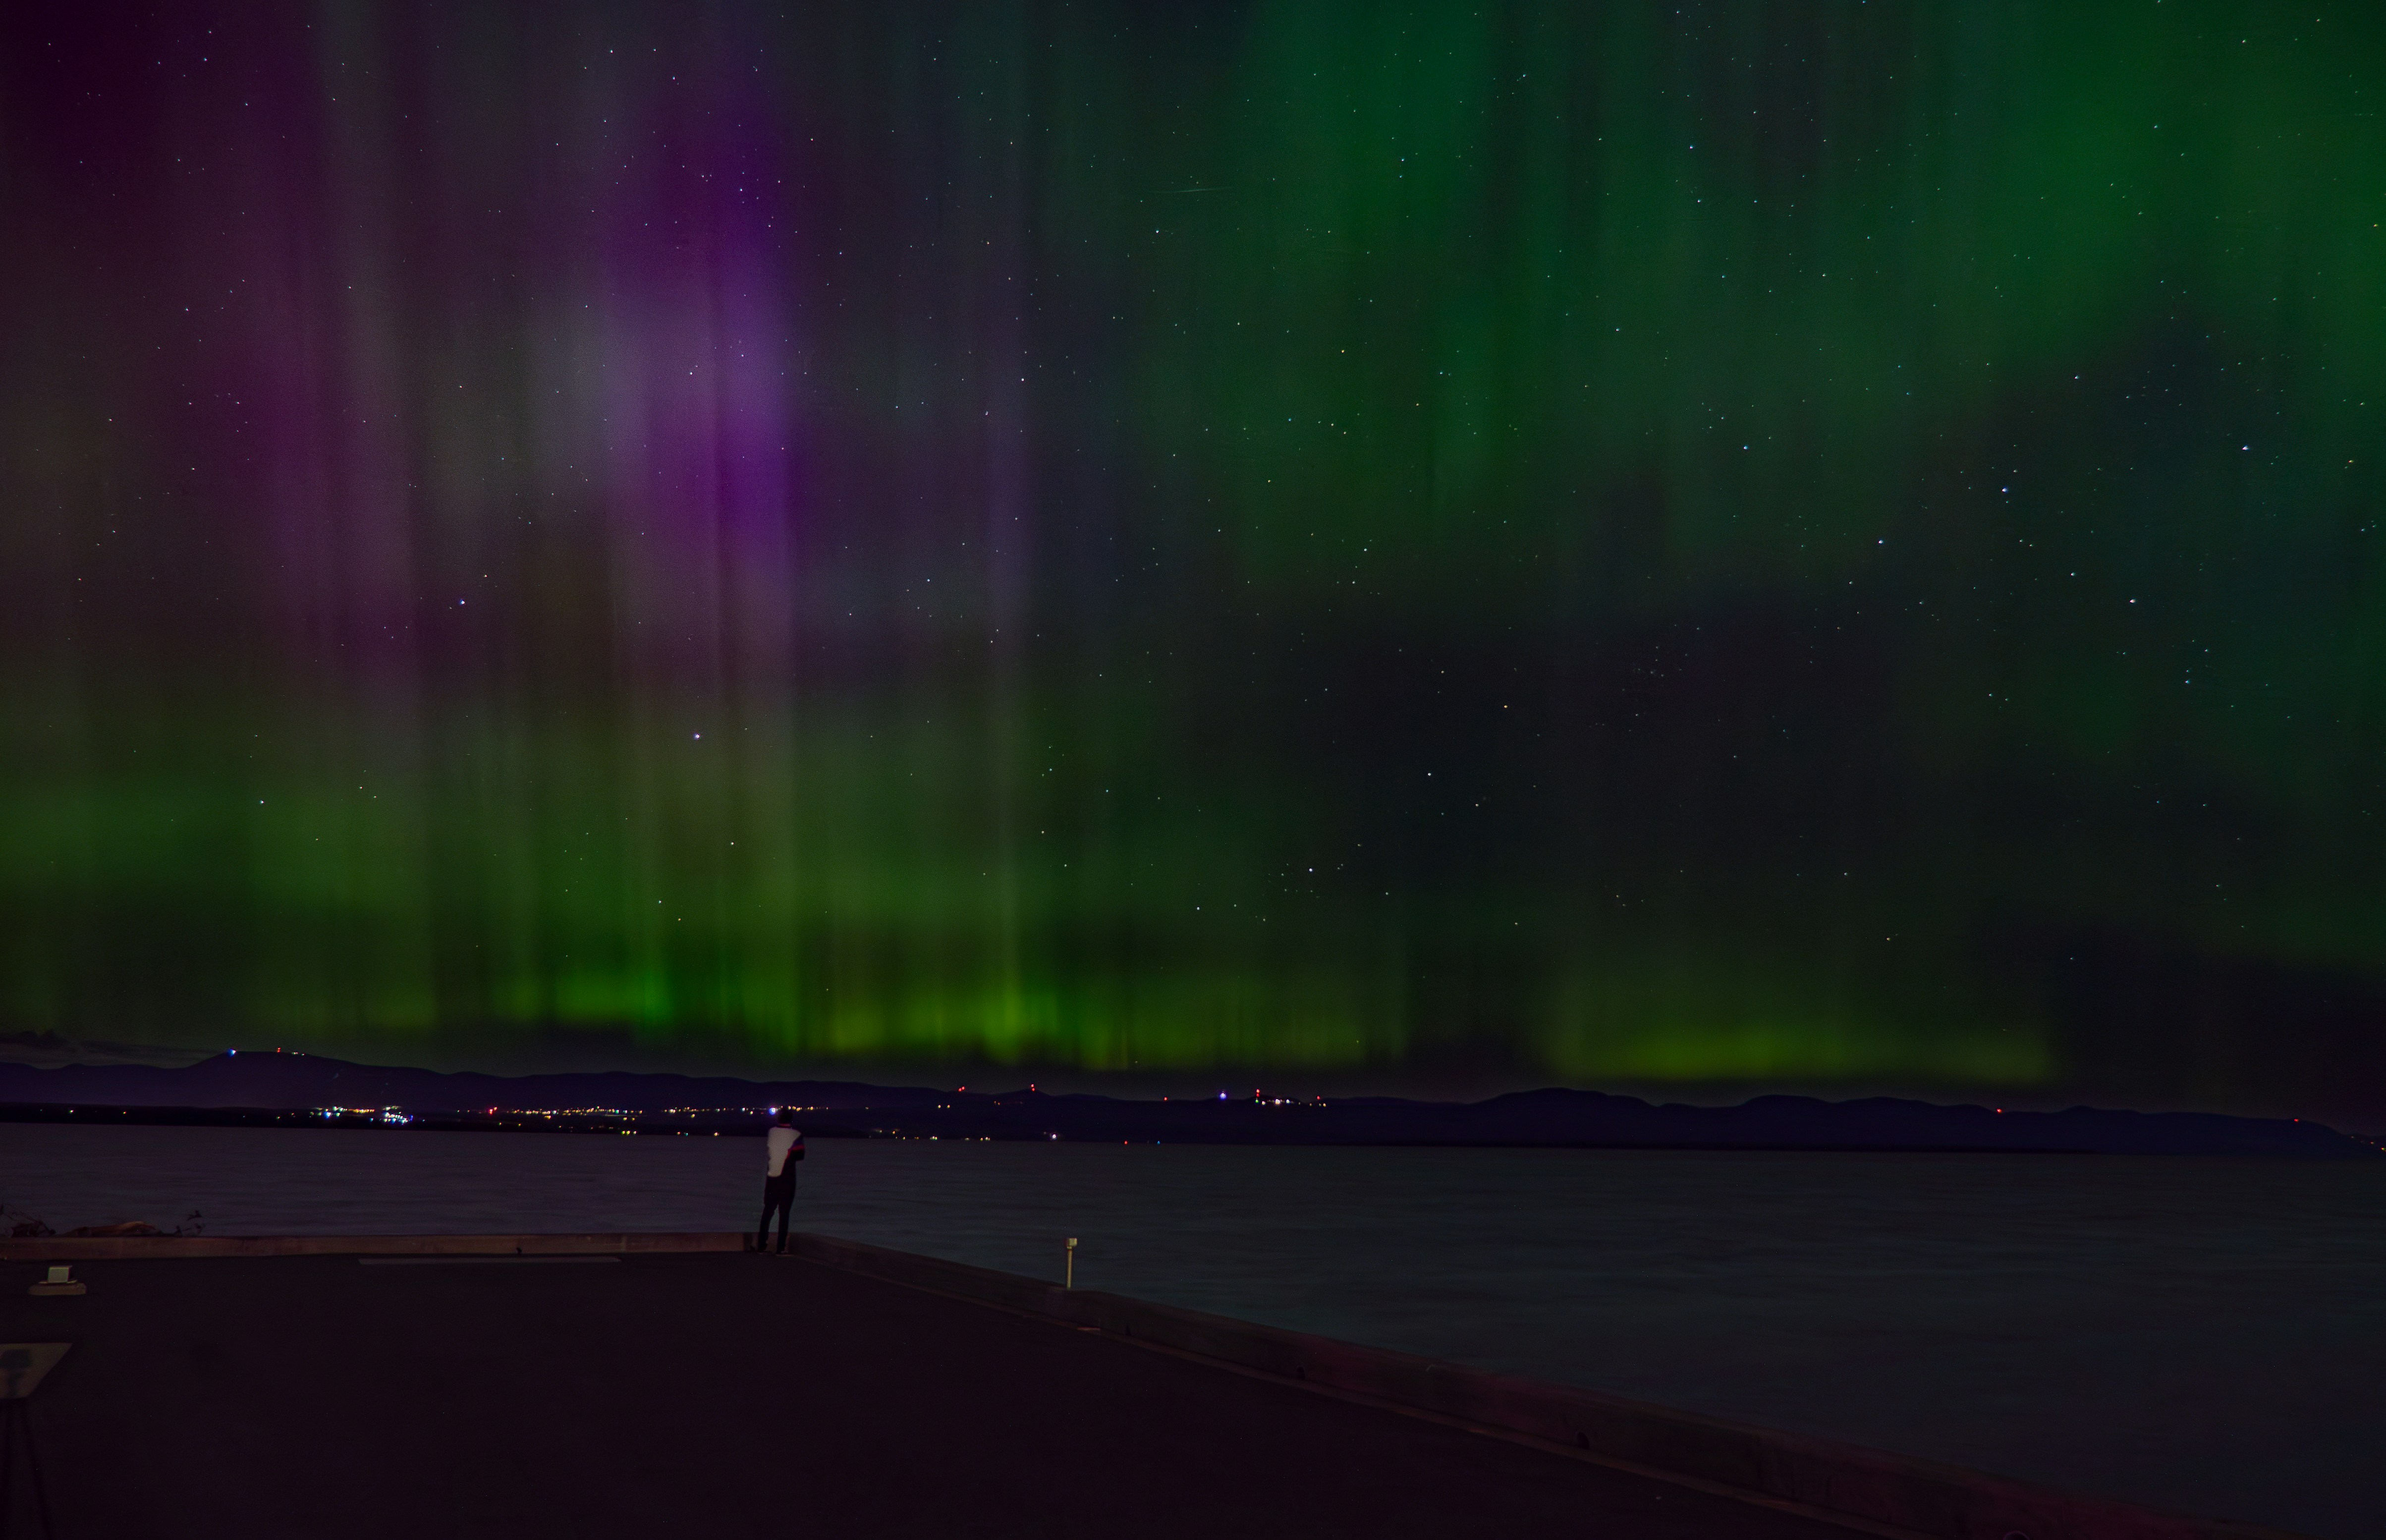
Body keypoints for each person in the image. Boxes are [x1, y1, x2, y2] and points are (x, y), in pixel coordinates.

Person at [756, 1109, 804, 1255]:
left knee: (768, 1211)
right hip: (787, 1178)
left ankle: (761, 1246)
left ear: (778, 1119)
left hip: (772, 1177)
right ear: (791, 1119)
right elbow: (800, 1155)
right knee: (784, 1214)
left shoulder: (771, 1132)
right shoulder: (796, 1134)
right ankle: (780, 1248)